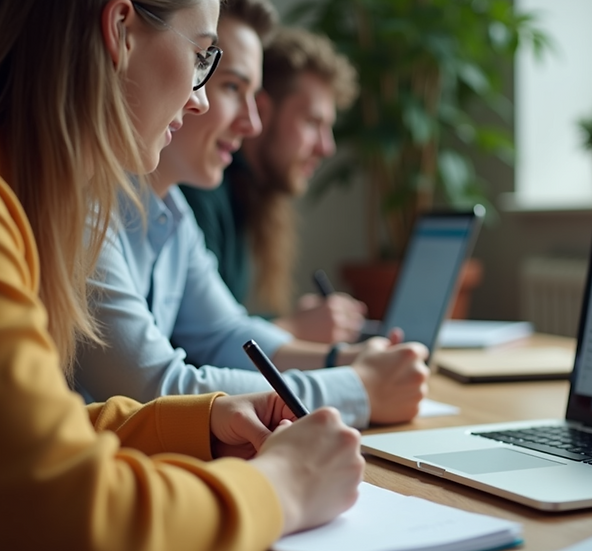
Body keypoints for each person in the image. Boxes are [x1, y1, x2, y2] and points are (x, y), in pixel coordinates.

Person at [0, 1, 364, 549]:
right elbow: (59, 514)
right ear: (119, 30)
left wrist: (198, 423)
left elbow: (9, 437)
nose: (200, 98)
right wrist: (284, 486)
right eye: (201, 57)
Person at [76, 0, 430, 429]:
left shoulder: (171, 211)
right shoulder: (83, 211)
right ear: (122, 36)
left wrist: (345, 360)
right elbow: (156, 387)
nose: (252, 123)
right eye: (227, 84)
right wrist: (357, 387)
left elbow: (225, 333)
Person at [181, 28, 366, 344]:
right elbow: (197, 344)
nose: (326, 147)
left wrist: (292, 325)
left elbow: (219, 326)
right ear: (263, 111)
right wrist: (293, 329)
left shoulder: (245, 193)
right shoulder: (202, 189)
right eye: (312, 123)